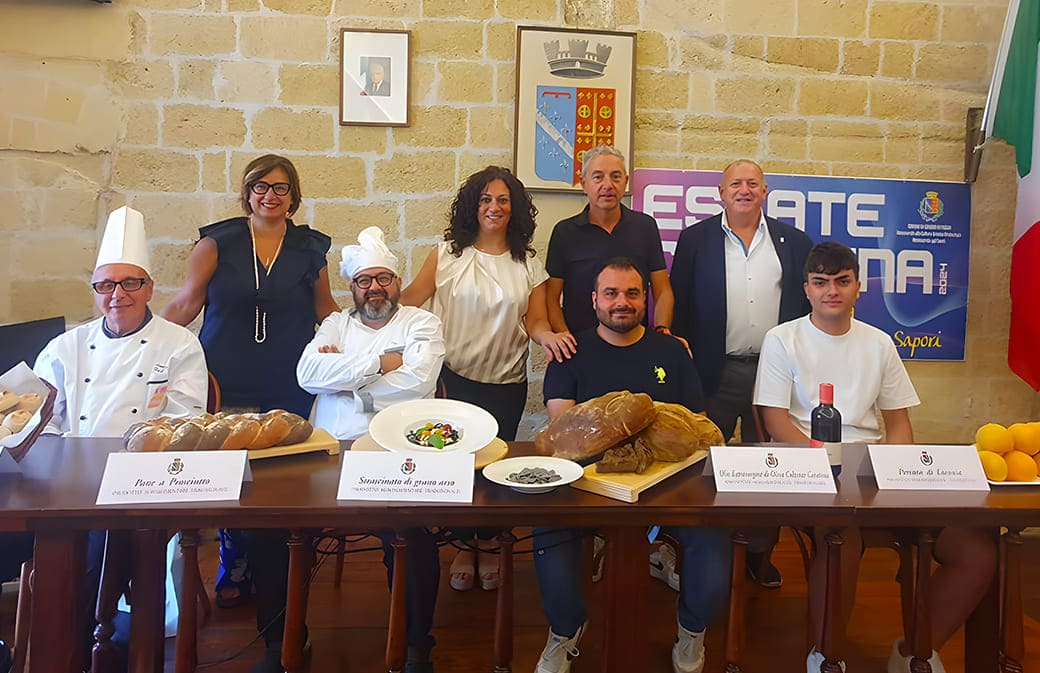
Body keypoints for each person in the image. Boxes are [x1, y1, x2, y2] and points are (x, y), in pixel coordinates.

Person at [753, 242, 997, 673]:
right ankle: (826, 656)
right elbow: (775, 421)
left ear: (858, 287)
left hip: (874, 475)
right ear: (806, 289)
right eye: (821, 282)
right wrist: (824, 467)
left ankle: (916, 650)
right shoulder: (782, 338)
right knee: (841, 540)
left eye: (842, 281)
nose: (832, 291)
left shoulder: (879, 342)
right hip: (811, 471)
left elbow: (898, 424)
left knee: (975, 549)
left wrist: (893, 473)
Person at [0, 206, 209, 665]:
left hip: (144, 486)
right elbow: (41, 422)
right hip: (69, 486)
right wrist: (64, 475)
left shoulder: (180, 345)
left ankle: (84, 646)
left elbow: (183, 422)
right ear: (95, 292)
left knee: (97, 546)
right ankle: (68, 643)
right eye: (106, 285)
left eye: (130, 283)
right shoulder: (65, 347)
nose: (118, 295)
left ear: (149, 288)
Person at [161, 154, 339, 616]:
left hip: (289, 377)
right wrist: (144, 341)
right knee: (233, 474)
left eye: (280, 188)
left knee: (282, 475)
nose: (270, 196)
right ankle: (234, 561)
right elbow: (185, 304)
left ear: (293, 195)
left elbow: (326, 310)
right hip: (226, 375)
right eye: (261, 186)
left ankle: (277, 567)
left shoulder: (310, 248)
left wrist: (367, 342)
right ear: (247, 192)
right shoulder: (217, 242)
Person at [534, 258, 730, 673]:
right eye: (611, 293)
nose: (621, 302)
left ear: (646, 299)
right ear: (594, 300)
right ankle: (565, 630)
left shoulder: (672, 351)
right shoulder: (570, 351)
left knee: (714, 536)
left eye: (632, 293)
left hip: (669, 485)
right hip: (588, 485)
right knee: (548, 530)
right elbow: (562, 432)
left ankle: (693, 630)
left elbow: (697, 427)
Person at [401, 166, 574, 592]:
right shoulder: (446, 254)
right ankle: (464, 545)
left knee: (495, 463)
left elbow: (535, 320)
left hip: (506, 381)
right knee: (458, 464)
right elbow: (410, 301)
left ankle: (490, 541)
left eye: (502, 200)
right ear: (472, 206)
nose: (493, 207)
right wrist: (366, 320)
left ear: (514, 209)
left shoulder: (528, 263)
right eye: (485, 200)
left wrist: (549, 336)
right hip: (452, 379)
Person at [297, 225, 445, 673]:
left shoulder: (421, 322)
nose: (374, 287)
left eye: (383, 278)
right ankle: (285, 641)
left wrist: (345, 381)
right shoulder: (335, 323)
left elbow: (418, 382)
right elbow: (306, 374)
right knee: (281, 533)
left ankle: (416, 643)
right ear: (352, 287)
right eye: (364, 280)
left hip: (398, 454)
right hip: (330, 455)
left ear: (398, 282)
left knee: (413, 539)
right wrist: (382, 363)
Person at [670, 159, 813, 588]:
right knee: (699, 465)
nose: (744, 190)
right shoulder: (696, 239)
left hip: (774, 374)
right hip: (713, 371)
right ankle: (698, 552)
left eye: (753, 183)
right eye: (736, 183)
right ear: (721, 193)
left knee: (771, 468)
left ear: (765, 192)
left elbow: (805, 308)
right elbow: (679, 304)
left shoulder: (794, 242)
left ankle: (758, 555)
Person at [544, 144, 678, 338]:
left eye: (616, 177)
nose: (607, 185)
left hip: (635, 343)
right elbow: (551, 298)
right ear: (583, 183)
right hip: (580, 345)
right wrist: (564, 338)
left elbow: (662, 290)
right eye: (598, 177)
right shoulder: (565, 232)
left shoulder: (645, 227)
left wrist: (662, 331)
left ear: (626, 182)